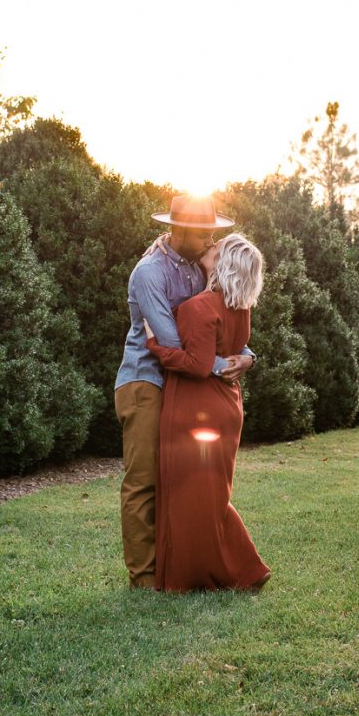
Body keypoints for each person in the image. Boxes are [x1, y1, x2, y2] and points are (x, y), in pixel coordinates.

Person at [114, 195, 256, 589]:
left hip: (184, 386)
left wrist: (246, 356)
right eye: (203, 234)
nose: (212, 241)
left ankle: (173, 569)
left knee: (180, 482)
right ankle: (144, 580)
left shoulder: (199, 268)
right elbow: (173, 341)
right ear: (178, 231)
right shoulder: (149, 273)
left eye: (214, 233)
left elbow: (219, 321)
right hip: (146, 380)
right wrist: (221, 364)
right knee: (144, 481)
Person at [144, 233, 271, 593]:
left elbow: (197, 365)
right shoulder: (240, 308)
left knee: (191, 495)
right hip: (227, 404)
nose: (210, 246)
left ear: (223, 262)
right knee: (210, 495)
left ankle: (213, 573)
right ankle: (244, 569)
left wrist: (154, 343)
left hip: (197, 404)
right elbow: (222, 353)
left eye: (218, 246)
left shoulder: (202, 306)